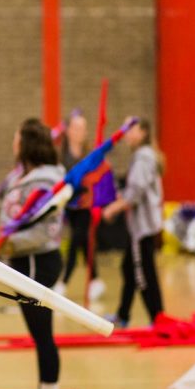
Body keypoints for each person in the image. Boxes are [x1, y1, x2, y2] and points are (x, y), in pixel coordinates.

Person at [0, 118, 65, 389]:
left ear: (26, 144)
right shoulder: (27, 176)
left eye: (17, 138)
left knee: (42, 333)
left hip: (37, 260)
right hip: (25, 261)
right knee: (39, 332)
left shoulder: (44, 182)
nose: (13, 143)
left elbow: (45, 231)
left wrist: (10, 244)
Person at [103, 118, 166, 328]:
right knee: (128, 269)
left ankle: (157, 318)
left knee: (143, 274)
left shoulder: (143, 158)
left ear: (144, 132)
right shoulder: (143, 157)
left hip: (142, 228)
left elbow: (135, 194)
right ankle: (123, 315)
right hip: (140, 227)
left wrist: (113, 208)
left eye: (131, 129)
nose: (126, 134)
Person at [56, 112, 105, 299]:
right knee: (84, 243)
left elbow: (97, 179)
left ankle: (63, 282)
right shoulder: (62, 157)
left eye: (83, 128)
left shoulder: (89, 155)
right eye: (76, 128)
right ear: (68, 131)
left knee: (76, 240)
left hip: (86, 206)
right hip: (69, 206)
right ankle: (96, 279)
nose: (79, 132)